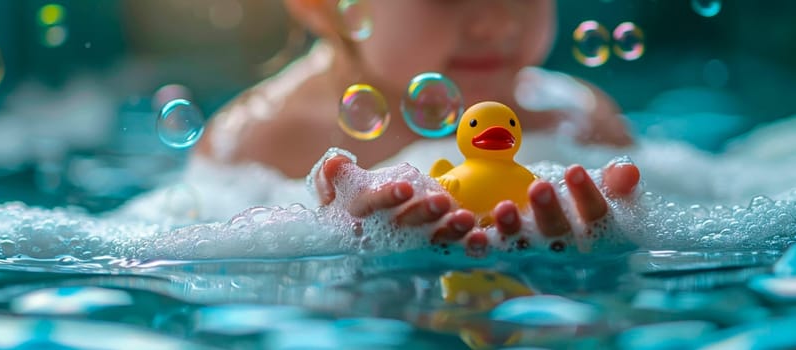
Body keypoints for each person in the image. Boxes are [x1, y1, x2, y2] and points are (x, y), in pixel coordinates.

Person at [196, 0, 641, 255]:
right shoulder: (263, 138)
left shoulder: (579, 117)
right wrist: (334, 239)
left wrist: (617, 235)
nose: (497, 23)